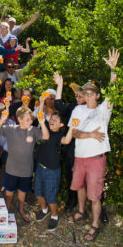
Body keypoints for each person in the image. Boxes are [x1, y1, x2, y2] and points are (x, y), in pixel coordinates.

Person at [68, 48, 120, 242]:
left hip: (96, 159)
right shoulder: (78, 110)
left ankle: (95, 224)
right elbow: (74, 133)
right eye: (86, 93)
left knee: (95, 195)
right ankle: (81, 211)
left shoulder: (103, 110)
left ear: (97, 96)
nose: (88, 96)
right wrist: (87, 134)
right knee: (79, 186)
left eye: (92, 93)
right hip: (79, 157)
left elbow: (113, 90)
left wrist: (113, 70)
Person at [0, 106, 49, 223]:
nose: (31, 121)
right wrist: (3, 119)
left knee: (22, 192)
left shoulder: (34, 130)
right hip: (11, 170)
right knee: (9, 192)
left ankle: (20, 209)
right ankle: (7, 209)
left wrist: (43, 123)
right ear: (19, 119)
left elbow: (46, 137)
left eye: (31, 119)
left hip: (26, 170)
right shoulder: (10, 129)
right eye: (28, 119)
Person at [35, 108, 76, 231]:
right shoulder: (44, 130)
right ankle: (44, 209)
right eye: (51, 119)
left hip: (52, 171)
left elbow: (67, 140)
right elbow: (40, 117)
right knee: (38, 193)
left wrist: (72, 128)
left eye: (55, 120)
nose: (52, 121)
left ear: (61, 125)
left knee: (51, 197)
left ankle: (54, 216)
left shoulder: (59, 135)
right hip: (40, 167)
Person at [53, 72, 86, 212]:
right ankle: (72, 201)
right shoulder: (73, 107)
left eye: (80, 96)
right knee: (71, 175)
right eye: (76, 95)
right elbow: (59, 105)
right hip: (71, 149)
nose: (77, 98)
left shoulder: (92, 110)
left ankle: (95, 206)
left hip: (86, 149)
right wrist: (60, 85)